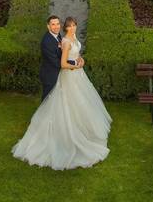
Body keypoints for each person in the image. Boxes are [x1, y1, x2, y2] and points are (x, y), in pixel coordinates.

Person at [12, 16, 112, 170]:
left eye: (58, 23)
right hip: (54, 75)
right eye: (54, 24)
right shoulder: (47, 42)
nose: (57, 26)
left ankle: (78, 130)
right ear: (48, 26)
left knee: (75, 105)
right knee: (52, 106)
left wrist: (81, 60)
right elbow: (60, 62)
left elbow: (73, 53)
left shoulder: (61, 37)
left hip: (74, 76)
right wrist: (76, 65)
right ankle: (50, 135)